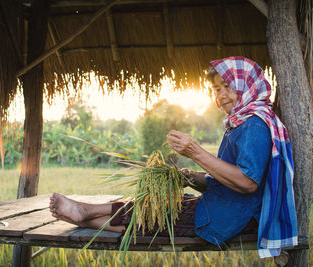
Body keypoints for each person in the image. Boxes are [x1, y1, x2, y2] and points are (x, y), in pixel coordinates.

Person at [50, 56, 298, 257]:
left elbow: (247, 182)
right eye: (216, 89)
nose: (221, 95)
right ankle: (84, 212)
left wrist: (195, 152)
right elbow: (226, 177)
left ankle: (84, 214)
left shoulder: (254, 125)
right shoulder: (239, 123)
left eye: (228, 87)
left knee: (155, 217)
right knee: (157, 205)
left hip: (232, 218)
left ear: (246, 85)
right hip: (223, 206)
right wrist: (190, 177)